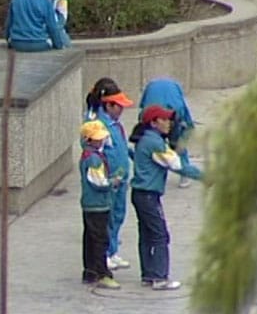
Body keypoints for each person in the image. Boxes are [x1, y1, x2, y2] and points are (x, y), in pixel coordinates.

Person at [129, 104, 204, 290]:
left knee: (146, 235)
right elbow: (177, 165)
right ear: (153, 122)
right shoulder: (155, 143)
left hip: (139, 194)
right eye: (164, 119)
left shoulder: (144, 139)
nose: (168, 123)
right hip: (149, 195)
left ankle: (148, 274)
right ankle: (160, 276)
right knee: (160, 235)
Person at [84, 78, 134, 271]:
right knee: (109, 219)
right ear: (108, 105)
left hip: (121, 180)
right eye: (118, 106)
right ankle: (105, 254)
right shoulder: (96, 126)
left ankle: (113, 252)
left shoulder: (116, 125)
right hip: (108, 182)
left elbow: (121, 146)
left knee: (118, 216)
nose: (121, 110)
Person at [79, 120, 122, 289]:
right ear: (89, 140)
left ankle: (89, 271)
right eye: (97, 139)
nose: (101, 141)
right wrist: (114, 182)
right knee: (100, 239)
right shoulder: (94, 160)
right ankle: (102, 273)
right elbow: (99, 182)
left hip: (89, 204)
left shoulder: (87, 156)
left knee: (90, 238)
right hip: (97, 204)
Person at [139, 77, 197, 188]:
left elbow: (142, 111)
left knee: (171, 143)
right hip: (167, 116)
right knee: (176, 143)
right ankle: (184, 173)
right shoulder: (176, 104)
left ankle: (181, 170)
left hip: (165, 117)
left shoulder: (175, 107)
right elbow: (187, 120)